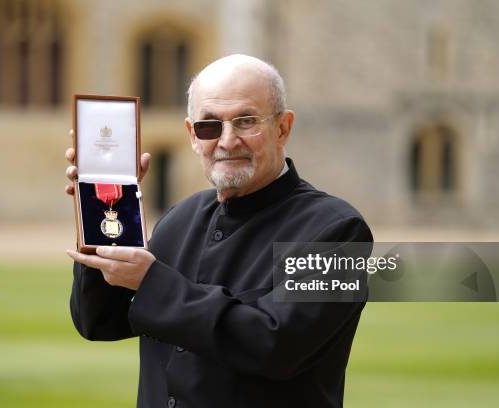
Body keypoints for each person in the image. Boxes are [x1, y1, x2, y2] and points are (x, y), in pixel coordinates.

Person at [65, 54, 373, 407]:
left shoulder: (340, 230)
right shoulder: (180, 218)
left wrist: (153, 282)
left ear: (283, 128)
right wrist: (102, 211)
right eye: (209, 125)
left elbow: (277, 346)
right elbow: (99, 322)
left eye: (245, 121)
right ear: (192, 135)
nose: (227, 141)